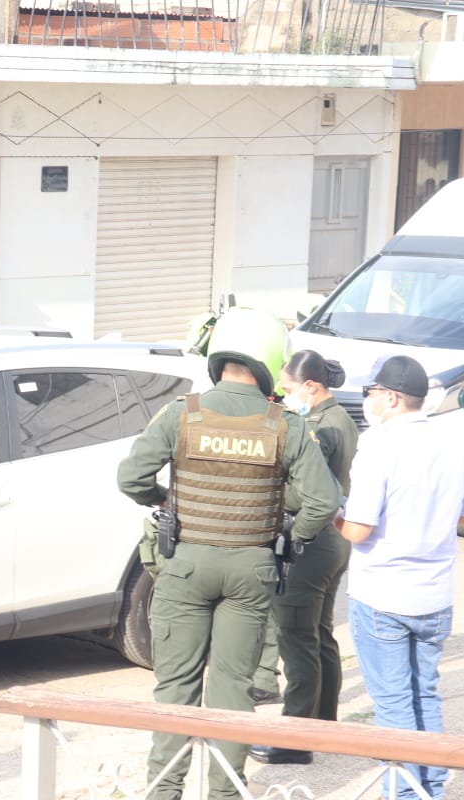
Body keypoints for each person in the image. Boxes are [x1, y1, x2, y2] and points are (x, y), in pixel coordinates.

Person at [117, 308, 340, 800]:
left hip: (185, 565)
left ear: (220, 356)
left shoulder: (184, 412)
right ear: (268, 360)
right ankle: (224, 793)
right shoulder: (285, 424)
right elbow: (323, 501)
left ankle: (163, 791)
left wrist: (165, 501)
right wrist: (291, 539)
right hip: (251, 569)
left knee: (175, 687)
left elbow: (129, 478)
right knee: (233, 688)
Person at [334, 354, 464, 800]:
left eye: (372, 393)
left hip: (383, 595)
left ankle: (405, 794)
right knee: (426, 696)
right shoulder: (457, 445)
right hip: (435, 596)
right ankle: (430, 786)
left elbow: (359, 530)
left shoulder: (378, 447)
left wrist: (331, 516)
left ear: (393, 397)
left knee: (394, 703)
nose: (369, 401)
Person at [249, 350, 358, 765]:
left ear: (310, 385)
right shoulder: (340, 416)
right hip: (334, 542)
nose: (284, 395)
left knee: (297, 640)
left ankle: (294, 741)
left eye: (289, 388)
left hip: (310, 542)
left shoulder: (319, 427)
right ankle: (323, 727)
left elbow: (308, 489)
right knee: (320, 636)